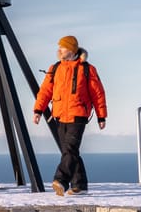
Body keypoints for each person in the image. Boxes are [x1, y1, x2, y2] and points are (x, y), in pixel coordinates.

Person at [32, 34, 107, 196]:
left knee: (70, 149)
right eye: (59, 47)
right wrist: (38, 110)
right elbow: (45, 91)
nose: (59, 50)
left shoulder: (87, 69)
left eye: (63, 47)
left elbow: (98, 94)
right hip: (59, 115)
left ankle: (61, 180)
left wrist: (101, 116)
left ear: (72, 50)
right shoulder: (55, 68)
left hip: (78, 115)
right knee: (69, 151)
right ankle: (80, 185)